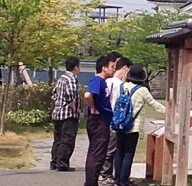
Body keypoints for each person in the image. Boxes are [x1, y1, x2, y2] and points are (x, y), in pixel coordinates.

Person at [113, 65, 165, 186]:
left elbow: (114, 103)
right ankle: (124, 180)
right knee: (128, 153)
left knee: (119, 152)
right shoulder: (142, 90)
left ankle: (117, 179)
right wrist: (170, 111)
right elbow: (154, 104)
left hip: (119, 124)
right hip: (133, 126)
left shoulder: (121, 86)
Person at [84, 55, 116, 186]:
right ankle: (90, 183)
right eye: (112, 67)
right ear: (104, 68)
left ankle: (92, 181)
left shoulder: (103, 82)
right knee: (97, 154)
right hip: (98, 121)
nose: (114, 69)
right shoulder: (97, 80)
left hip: (103, 120)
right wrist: (93, 107)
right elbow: (87, 95)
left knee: (99, 153)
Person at [101, 57, 132, 185]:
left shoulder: (113, 82)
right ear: (125, 68)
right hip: (115, 119)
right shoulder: (114, 83)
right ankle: (105, 174)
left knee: (113, 148)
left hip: (113, 119)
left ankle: (108, 174)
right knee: (111, 148)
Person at [50, 57, 80, 172]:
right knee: (67, 139)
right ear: (76, 67)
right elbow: (71, 93)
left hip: (58, 112)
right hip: (68, 114)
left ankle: (54, 162)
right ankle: (62, 163)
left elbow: (54, 93)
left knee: (57, 139)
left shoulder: (61, 78)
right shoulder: (71, 79)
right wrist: (72, 104)